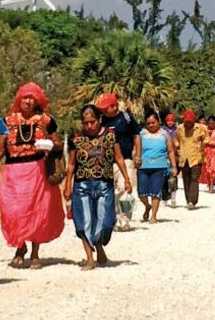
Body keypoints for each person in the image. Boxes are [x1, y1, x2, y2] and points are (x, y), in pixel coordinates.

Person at [0, 82, 64, 269]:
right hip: (12, 172)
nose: (27, 101)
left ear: (38, 101)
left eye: (32, 98)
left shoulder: (46, 120)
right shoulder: (7, 121)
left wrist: (50, 145)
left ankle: (35, 253)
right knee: (13, 211)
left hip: (37, 170)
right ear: (19, 99)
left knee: (38, 211)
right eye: (25, 97)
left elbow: (57, 143)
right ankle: (20, 246)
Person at [65, 104, 131, 269]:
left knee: (106, 221)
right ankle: (89, 258)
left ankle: (100, 246)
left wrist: (126, 178)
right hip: (82, 185)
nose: (89, 126)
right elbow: (71, 164)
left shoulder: (110, 136)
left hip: (104, 185)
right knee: (84, 221)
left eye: (92, 122)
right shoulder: (77, 139)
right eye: (85, 123)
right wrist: (67, 185)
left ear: (99, 119)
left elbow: (119, 158)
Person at [97, 93, 141, 230]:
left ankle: (125, 220)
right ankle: (113, 219)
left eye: (106, 107)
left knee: (124, 188)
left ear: (114, 106)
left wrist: (138, 154)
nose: (103, 110)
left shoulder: (126, 118)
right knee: (109, 190)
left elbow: (136, 136)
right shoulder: (100, 120)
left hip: (126, 158)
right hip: (107, 160)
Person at [137, 110, 178, 222]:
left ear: (158, 122)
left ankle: (153, 216)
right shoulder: (141, 134)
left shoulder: (165, 134)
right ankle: (147, 206)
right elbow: (136, 149)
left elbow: (170, 151)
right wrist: (136, 157)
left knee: (156, 192)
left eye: (153, 122)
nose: (151, 125)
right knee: (141, 193)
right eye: (148, 123)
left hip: (160, 166)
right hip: (143, 166)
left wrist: (174, 167)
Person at [174, 109, 208, 209]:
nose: (188, 122)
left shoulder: (200, 128)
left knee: (194, 178)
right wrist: (177, 147)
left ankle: (192, 201)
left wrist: (203, 145)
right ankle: (188, 199)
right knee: (186, 178)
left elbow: (207, 139)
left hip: (196, 157)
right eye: (186, 120)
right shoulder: (180, 128)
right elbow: (176, 139)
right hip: (184, 157)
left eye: (190, 120)